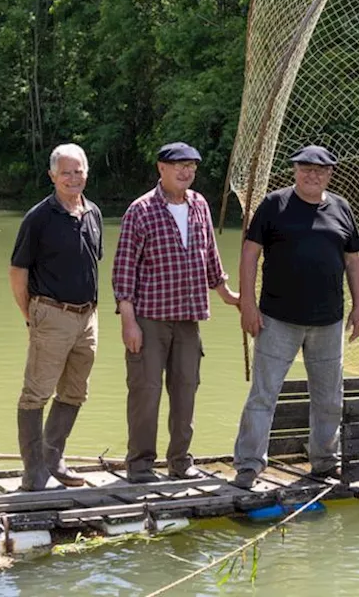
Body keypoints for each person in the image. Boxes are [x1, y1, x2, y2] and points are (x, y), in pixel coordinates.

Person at [231, 145, 359, 489]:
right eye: (305, 168)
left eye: (320, 170)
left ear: (330, 174)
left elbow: (353, 260)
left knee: (329, 398)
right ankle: (248, 465)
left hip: (329, 322)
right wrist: (248, 303)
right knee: (264, 394)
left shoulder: (342, 208)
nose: (312, 174)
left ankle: (324, 462)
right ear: (295, 171)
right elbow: (249, 254)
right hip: (277, 319)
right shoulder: (275, 204)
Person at [112, 142, 239, 483]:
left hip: (189, 319)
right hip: (150, 319)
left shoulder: (199, 205)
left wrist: (227, 293)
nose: (186, 172)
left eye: (192, 167)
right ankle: (140, 466)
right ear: (161, 169)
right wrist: (129, 323)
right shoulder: (140, 210)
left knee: (186, 391)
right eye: (179, 165)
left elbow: (210, 254)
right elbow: (123, 271)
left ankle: (181, 463)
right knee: (146, 392)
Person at [9, 143, 103, 491]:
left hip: (87, 318)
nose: (73, 178)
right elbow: (17, 272)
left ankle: (54, 460)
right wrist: (31, 315)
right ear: (52, 176)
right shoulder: (39, 218)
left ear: (87, 173)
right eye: (66, 172)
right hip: (50, 314)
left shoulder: (92, 213)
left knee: (76, 391)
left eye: (79, 171)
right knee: (36, 394)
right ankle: (34, 472)